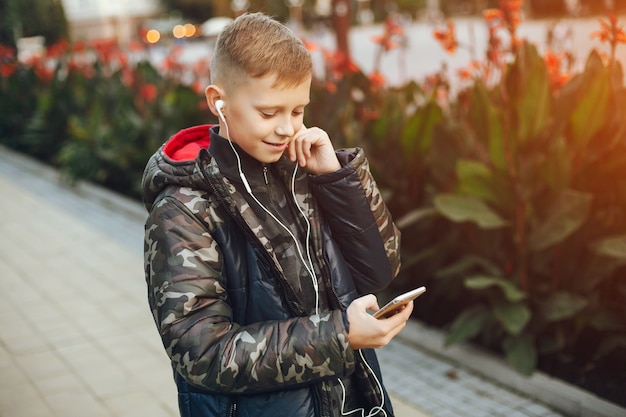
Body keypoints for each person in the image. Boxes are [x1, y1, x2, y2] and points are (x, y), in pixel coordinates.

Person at [141, 12, 412, 417]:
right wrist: (340, 336)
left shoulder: (304, 170)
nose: (287, 128)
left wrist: (338, 180)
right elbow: (201, 352)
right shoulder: (183, 210)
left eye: (298, 111)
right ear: (219, 102)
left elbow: (379, 269)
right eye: (269, 113)